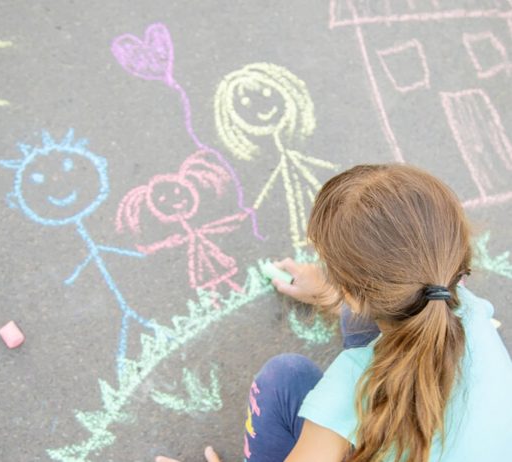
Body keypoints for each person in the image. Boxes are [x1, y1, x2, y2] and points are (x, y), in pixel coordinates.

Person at [156, 164, 512, 462]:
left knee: (285, 379)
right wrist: (335, 291)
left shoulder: (348, 394)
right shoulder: (465, 306)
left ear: (355, 294)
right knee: (356, 324)